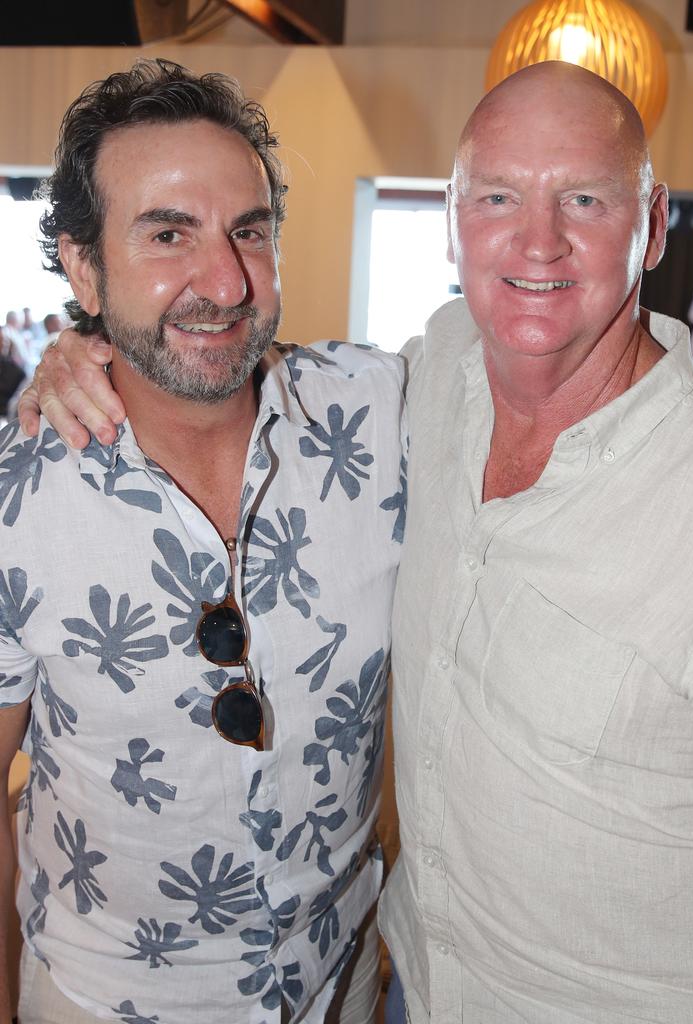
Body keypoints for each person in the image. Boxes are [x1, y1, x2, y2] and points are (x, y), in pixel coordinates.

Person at [20, 61, 693, 1023]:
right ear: (455, 220)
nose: (537, 240)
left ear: (655, 223)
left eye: (583, 197)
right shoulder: (430, 385)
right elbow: (198, 348)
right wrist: (83, 348)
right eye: (498, 196)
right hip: (355, 987)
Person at [0, 59, 406, 1024]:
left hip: (342, 984)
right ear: (84, 266)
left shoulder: (384, 415)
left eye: (249, 232)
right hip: (104, 1000)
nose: (223, 280)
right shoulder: (18, 494)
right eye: (167, 234)